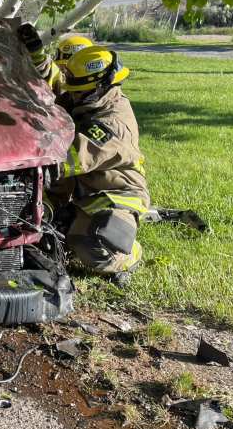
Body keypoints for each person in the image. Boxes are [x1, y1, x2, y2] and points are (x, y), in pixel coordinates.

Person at [17, 25, 149, 286]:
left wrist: (24, 164)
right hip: (82, 194)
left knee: (92, 249)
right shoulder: (89, 98)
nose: (72, 95)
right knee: (42, 233)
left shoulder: (112, 122)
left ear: (101, 85)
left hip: (115, 195)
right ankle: (72, 220)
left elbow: (72, 157)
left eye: (79, 90)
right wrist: (37, 57)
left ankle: (129, 254)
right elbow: (57, 87)